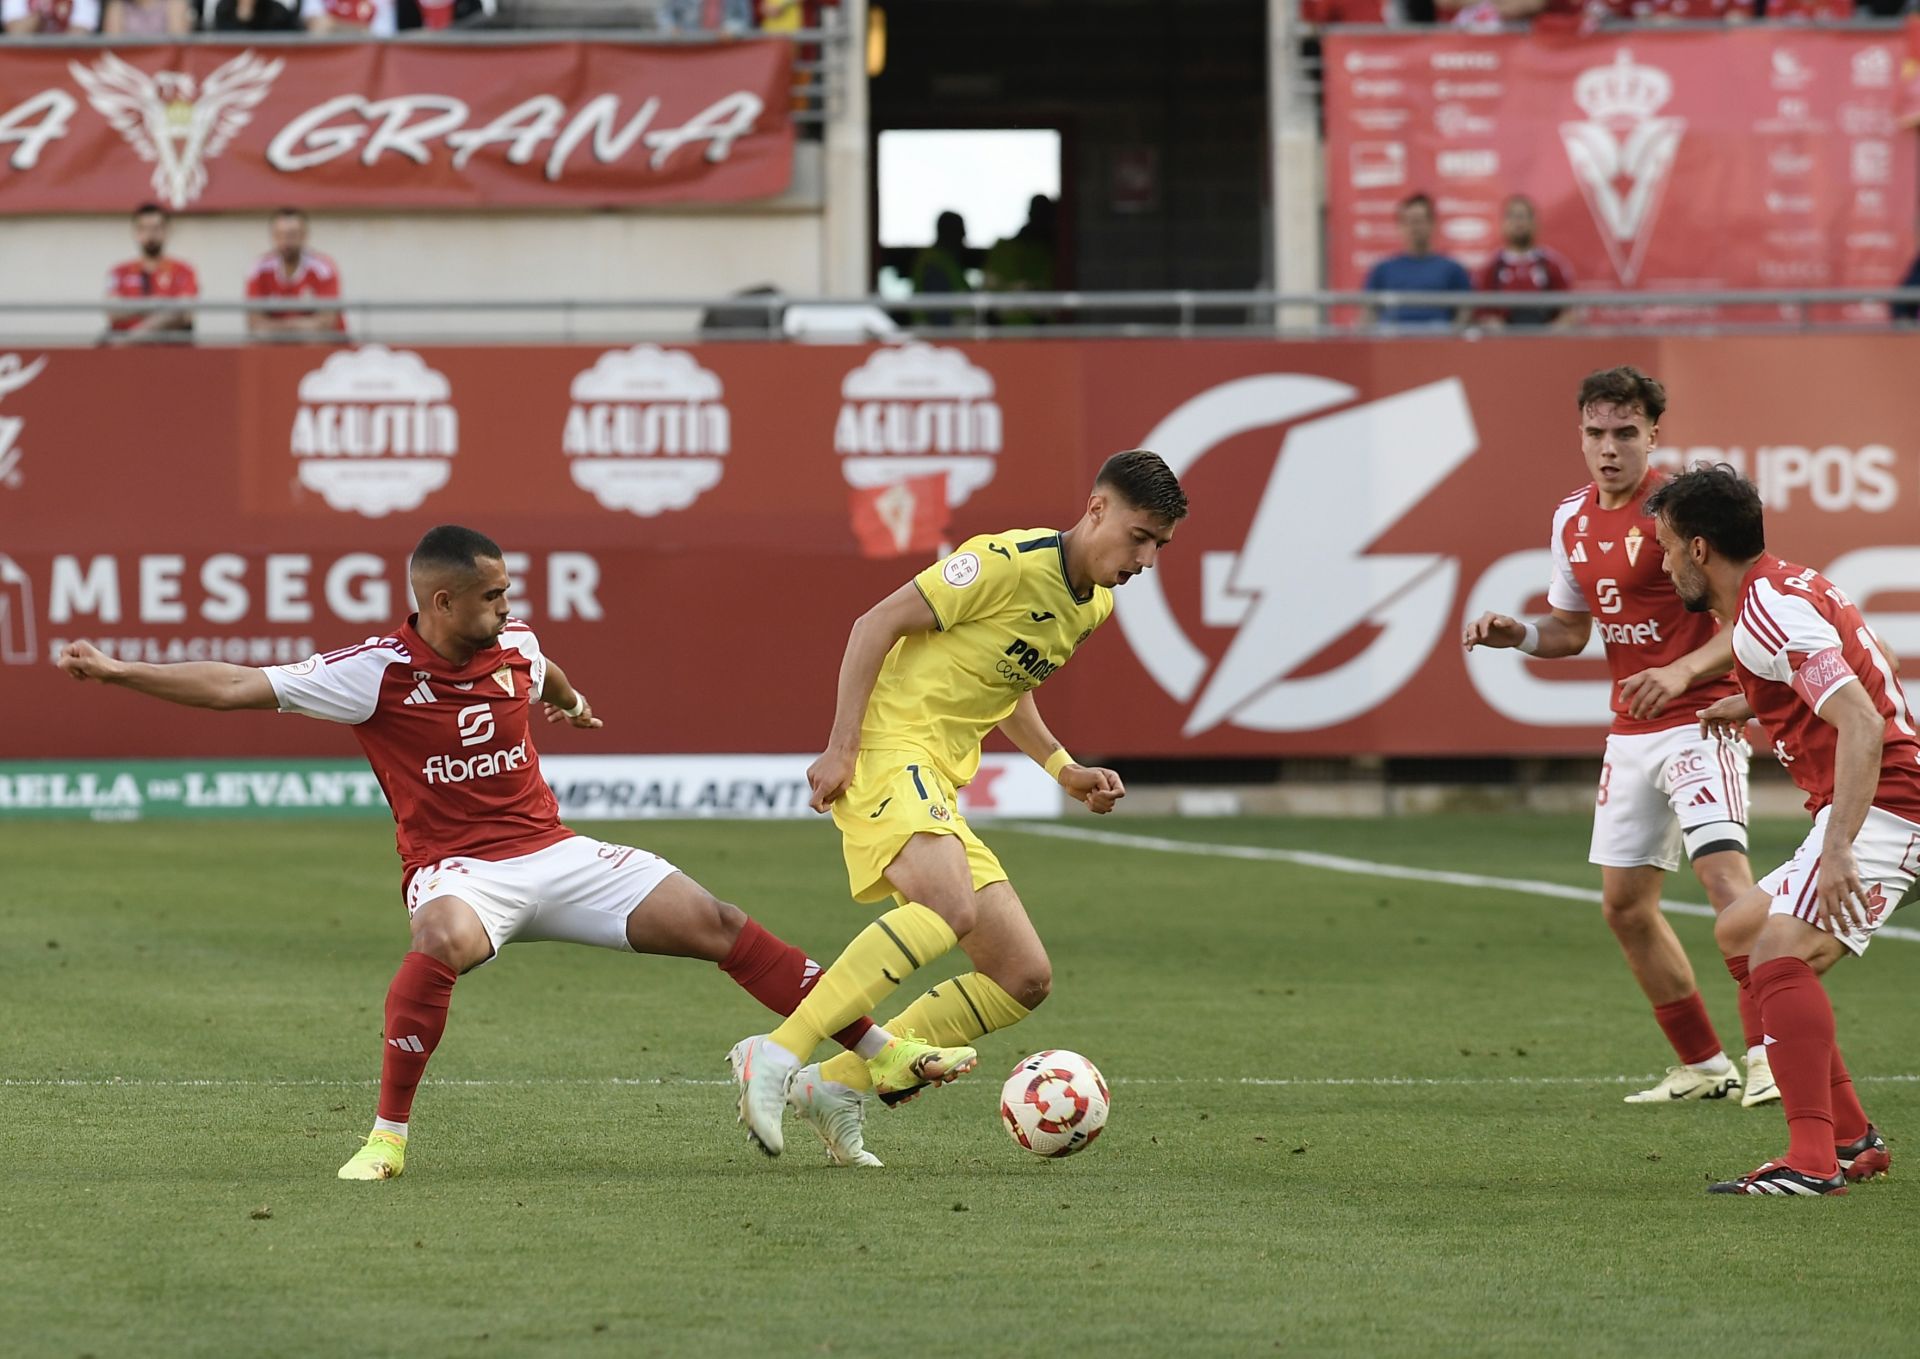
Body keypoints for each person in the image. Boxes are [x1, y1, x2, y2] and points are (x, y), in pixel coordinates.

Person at [55, 525, 947, 1178]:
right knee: (439, 939)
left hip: (555, 852)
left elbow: (541, 663)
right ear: (442, 602)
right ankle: (388, 1137)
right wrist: (119, 670)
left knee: (715, 919)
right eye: (492, 596)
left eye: (510, 596)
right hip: (461, 872)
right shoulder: (375, 670)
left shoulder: (513, 642)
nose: (510, 610)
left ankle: (871, 1050)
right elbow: (234, 686)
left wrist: (572, 698)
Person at [728, 450, 1189, 1161]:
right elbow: (873, 625)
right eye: (1140, 535)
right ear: (1098, 510)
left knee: (1022, 975)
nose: (1148, 558)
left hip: (937, 782)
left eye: (1160, 544)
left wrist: (1063, 767)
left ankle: (836, 1084)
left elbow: (1010, 682)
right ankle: (778, 1051)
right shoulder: (1006, 560)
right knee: (949, 904)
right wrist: (842, 746)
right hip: (889, 748)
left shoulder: (1093, 604)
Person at [1464, 367, 1767, 1106]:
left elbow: (1755, 618)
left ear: (1653, 435)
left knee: (1727, 881)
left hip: (1702, 724)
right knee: (1625, 906)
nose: (1609, 449)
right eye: (1596, 433)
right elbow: (1571, 630)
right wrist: (1521, 633)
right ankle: (1704, 1063)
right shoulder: (1571, 517)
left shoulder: (1682, 512)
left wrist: (1683, 671)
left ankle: (1771, 1051)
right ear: (1580, 434)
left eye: (1625, 433)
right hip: (1631, 732)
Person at [1644, 466, 1916, 1195]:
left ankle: (1811, 1160)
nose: (1665, 563)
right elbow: (1876, 663)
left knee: (1776, 951)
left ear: (1700, 549)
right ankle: (1854, 1136)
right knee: (1740, 931)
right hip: (1877, 800)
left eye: (1668, 547)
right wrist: (1753, 702)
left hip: (1891, 805)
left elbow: (1860, 718)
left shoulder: (1766, 611)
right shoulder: (1791, 586)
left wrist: (1837, 851)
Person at [1363, 193, 1471, 328]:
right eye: (1408, 221)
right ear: (1399, 227)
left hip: (1437, 340)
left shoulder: (1453, 269)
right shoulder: (1382, 269)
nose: (1414, 228)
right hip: (1392, 340)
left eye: (1419, 221)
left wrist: (1452, 340)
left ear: (1432, 224)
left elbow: (1465, 311)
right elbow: (1368, 314)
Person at [245, 208, 347, 341]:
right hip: (275, 349)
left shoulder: (323, 269)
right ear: (273, 236)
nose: (286, 241)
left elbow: (326, 323)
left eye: (292, 234)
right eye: (280, 235)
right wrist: (301, 326)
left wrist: (277, 328)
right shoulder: (258, 269)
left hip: (322, 351)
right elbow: (255, 324)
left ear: (304, 235)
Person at [105, 203, 199, 345]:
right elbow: (113, 312)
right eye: (144, 229)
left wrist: (129, 338)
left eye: (156, 228)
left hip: (168, 351)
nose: (150, 234)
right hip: (126, 358)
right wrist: (159, 304)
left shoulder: (183, 270)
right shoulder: (120, 271)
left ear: (166, 231)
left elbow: (184, 313)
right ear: (136, 233)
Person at [1474, 195, 1573, 329]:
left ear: (1535, 223)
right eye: (1513, 216)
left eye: (1524, 216)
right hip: (1503, 342)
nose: (1519, 222)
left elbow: (1569, 311)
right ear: (1503, 223)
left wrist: (1552, 332)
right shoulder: (1490, 268)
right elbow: (1481, 313)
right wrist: (1498, 330)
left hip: (1545, 340)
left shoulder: (1553, 264)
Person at [982, 195, 1056, 326]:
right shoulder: (1002, 249)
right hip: (1002, 337)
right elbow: (987, 303)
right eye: (1040, 215)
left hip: (1039, 339)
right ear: (1030, 214)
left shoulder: (1050, 254)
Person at [910, 211, 972, 328]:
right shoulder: (934, 263)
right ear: (949, 233)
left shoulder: (945, 260)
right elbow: (939, 311)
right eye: (960, 230)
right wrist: (944, 338)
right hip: (943, 337)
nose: (964, 235)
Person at [2, 0, 99, 31]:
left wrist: (57, 14)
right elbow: (16, 34)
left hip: (64, 59)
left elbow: (80, 37)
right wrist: (42, 12)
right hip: (25, 59)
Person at [101, 0, 190, 32]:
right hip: (127, 65)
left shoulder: (174, 3)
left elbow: (178, 46)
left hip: (165, 68)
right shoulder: (117, 5)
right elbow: (112, 45)